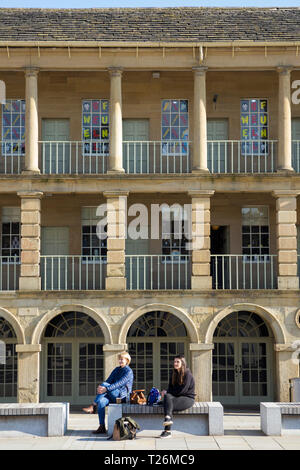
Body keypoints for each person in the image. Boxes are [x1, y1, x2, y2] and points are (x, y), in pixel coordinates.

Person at [83, 351, 133, 434]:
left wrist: (105, 388)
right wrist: (102, 388)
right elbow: (108, 381)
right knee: (102, 402)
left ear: (127, 360)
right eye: (119, 359)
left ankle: (93, 405)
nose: (120, 361)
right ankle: (102, 426)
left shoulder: (128, 371)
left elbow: (119, 383)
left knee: (104, 385)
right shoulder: (117, 369)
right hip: (113, 394)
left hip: (122, 396)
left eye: (122, 359)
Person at [159, 355, 195, 438]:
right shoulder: (173, 373)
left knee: (168, 404)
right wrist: (167, 392)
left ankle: (167, 430)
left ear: (182, 363)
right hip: (176, 397)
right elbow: (170, 388)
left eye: (177, 362)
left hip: (187, 398)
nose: (175, 363)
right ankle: (168, 419)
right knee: (167, 398)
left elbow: (182, 391)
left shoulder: (187, 374)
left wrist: (168, 392)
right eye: (174, 362)